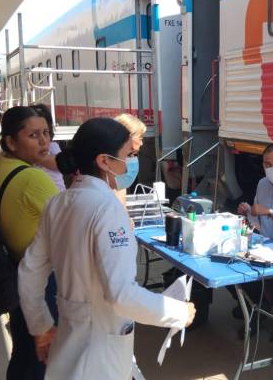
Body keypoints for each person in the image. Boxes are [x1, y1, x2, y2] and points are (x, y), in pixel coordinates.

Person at [18, 117, 195, 379]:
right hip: (99, 355)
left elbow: (30, 271)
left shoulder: (58, 204)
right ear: (104, 161)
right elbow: (121, 294)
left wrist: (41, 326)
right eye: (128, 155)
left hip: (69, 344)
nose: (131, 163)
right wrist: (177, 312)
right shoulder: (107, 210)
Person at [0, 106, 59, 380]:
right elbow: (71, 225)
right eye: (33, 135)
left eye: (46, 133)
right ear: (11, 141)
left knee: (24, 352)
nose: (44, 141)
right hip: (42, 279)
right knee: (46, 356)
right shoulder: (33, 177)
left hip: (14, 272)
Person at [30, 104, 65, 192]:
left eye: (45, 132)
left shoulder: (53, 146)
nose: (42, 139)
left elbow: (59, 164)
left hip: (57, 193)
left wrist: (36, 158)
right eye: (33, 134)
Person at [113, 113, 146, 204]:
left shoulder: (119, 188)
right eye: (140, 138)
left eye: (131, 155)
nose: (141, 143)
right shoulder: (101, 192)